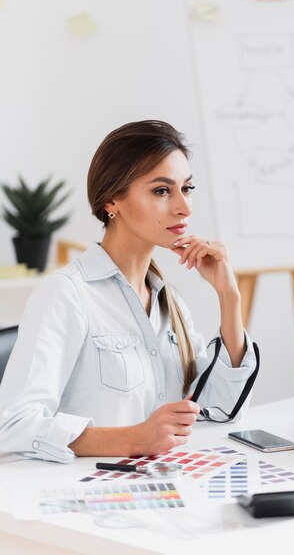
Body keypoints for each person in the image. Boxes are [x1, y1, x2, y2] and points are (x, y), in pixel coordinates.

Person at [0, 120, 258, 463]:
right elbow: (13, 425)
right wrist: (135, 438)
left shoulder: (169, 302)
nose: (184, 207)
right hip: (88, 496)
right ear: (112, 200)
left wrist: (229, 297)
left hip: (162, 487)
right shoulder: (67, 293)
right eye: (162, 191)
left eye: (187, 188)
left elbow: (221, 408)